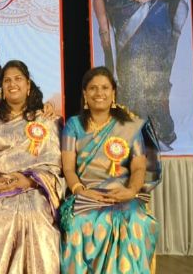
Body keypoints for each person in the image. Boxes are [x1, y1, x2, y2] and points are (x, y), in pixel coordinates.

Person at [93, 0, 189, 150]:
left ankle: (160, 132)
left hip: (156, 25)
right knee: (129, 77)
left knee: (156, 76)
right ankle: (132, 135)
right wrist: (103, 28)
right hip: (124, 28)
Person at [59, 66, 162, 273]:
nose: (99, 93)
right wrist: (80, 190)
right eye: (93, 88)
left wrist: (131, 190)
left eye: (105, 88)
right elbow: (68, 168)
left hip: (123, 195)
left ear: (113, 93)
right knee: (78, 223)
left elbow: (139, 166)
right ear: (85, 94)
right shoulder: (73, 125)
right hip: (87, 195)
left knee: (137, 222)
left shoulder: (129, 126)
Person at [0, 60, 63, 274]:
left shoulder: (44, 118)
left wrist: (28, 181)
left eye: (18, 79)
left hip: (34, 187)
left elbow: (53, 162)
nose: (12, 84)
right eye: (7, 80)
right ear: (2, 88)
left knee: (36, 214)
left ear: (28, 85)